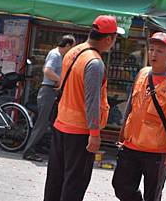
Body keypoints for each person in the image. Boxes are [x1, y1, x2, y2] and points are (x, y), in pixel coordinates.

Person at [43, 15, 124, 201]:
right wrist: (94, 134)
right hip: (79, 132)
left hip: (61, 124)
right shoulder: (94, 63)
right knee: (74, 183)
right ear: (108, 39)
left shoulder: (73, 51)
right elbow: (92, 101)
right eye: (114, 38)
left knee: (56, 179)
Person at [112, 32, 166, 201]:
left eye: (159, 51)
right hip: (131, 145)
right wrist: (123, 132)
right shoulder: (142, 74)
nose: (153, 54)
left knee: (152, 195)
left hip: (157, 150)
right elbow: (131, 105)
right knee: (121, 186)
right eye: (151, 49)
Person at [23, 34, 76, 162]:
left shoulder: (60, 56)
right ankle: (28, 151)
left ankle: (39, 147)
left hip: (52, 92)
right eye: (72, 47)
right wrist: (60, 81)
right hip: (47, 91)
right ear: (67, 45)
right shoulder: (55, 54)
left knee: (50, 123)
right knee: (41, 124)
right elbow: (47, 71)